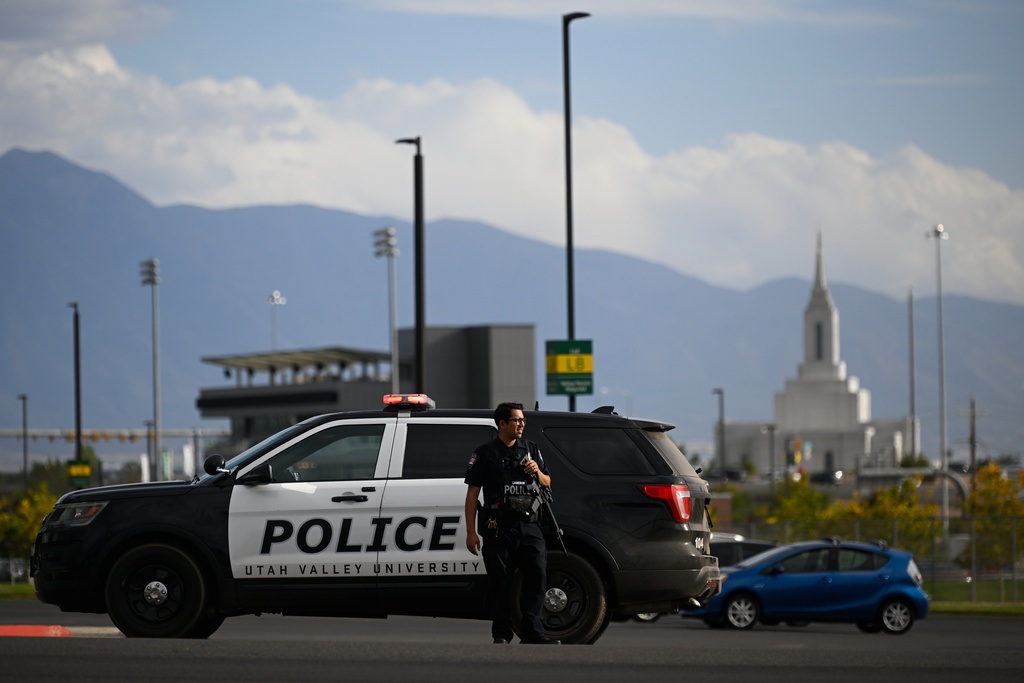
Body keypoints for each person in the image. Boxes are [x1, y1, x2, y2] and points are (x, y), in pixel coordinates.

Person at [464, 402, 559, 645]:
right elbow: (472, 495)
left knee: (536, 579)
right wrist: (471, 533)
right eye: (517, 420)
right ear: (502, 423)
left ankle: (533, 633)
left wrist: (537, 471)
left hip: (530, 527)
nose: (522, 424)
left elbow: (548, 482)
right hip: (499, 528)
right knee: (500, 583)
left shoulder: (532, 450)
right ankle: (502, 635)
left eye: (523, 420)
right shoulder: (484, 453)